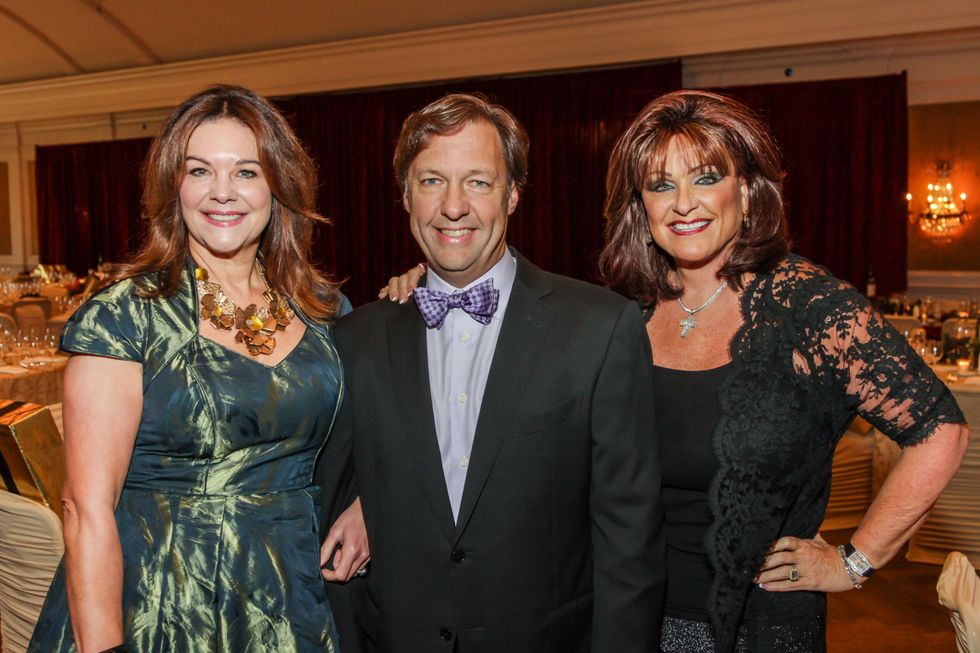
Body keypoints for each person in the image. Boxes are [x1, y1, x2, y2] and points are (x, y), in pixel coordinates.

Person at [598, 89, 969, 652]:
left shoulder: (809, 308)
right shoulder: (625, 311)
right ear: (642, 209)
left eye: (704, 178)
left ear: (745, 192)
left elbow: (941, 430)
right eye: (660, 185)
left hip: (753, 628)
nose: (683, 203)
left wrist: (853, 561)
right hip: (626, 615)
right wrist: (416, 286)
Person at [318, 92, 666, 652]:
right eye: (432, 181)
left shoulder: (598, 329)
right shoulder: (355, 341)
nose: (453, 206)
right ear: (406, 196)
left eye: (478, 182)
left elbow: (631, 540)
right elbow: (334, 515)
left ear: (513, 194)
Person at [29, 84, 367, 653]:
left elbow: (365, 444)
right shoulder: (125, 318)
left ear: (277, 186)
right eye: (200, 171)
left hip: (294, 599)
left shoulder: (324, 312)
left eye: (246, 172)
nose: (222, 193)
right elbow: (86, 510)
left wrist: (364, 509)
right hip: (162, 600)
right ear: (174, 186)